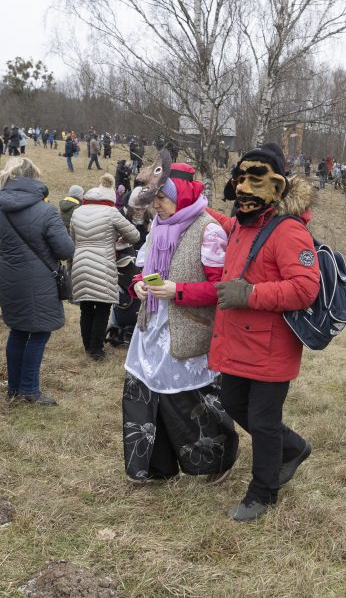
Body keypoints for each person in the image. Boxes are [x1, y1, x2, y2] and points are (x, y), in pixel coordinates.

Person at [206, 142, 318, 522]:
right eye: (240, 181)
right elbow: (227, 224)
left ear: (276, 186)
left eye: (255, 182)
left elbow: (305, 289)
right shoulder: (241, 222)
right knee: (234, 403)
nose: (243, 190)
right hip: (237, 341)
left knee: (264, 422)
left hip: (270, 347)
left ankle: (263, 493)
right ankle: (293, 447)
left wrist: (250, 293)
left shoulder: (288, 231)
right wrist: (192, 206)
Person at [121, 164, 239, 483]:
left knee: (189, 399)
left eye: (162, 198)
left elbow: (219, 289)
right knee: (145, 391)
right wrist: (139, 286)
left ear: (182, 195)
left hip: (188, 328)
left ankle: (214, 463)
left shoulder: (208, 230)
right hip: (151, 326)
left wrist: (178, 291)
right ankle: (157, 467)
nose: (156, 205)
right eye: (153, 198)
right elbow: (140, 268)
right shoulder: (159, 226)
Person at [0, 158, 75, 405]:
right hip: (38, 280)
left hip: (9, 277)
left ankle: (15, 388)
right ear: (32, 179)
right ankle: (29, 390)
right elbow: (65, 249)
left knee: (17, 331)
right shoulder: (46, 210)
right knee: (38, 334)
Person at [70, 173, 141, 360]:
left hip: (80, 263)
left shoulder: (78, 211)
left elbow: (73, 238)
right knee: (102, 308)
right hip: (103, 264)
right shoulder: (111, 213)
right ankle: (96, 349)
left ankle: (87, 346)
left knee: (86, 307)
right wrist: (119, 238)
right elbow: (134, 235)